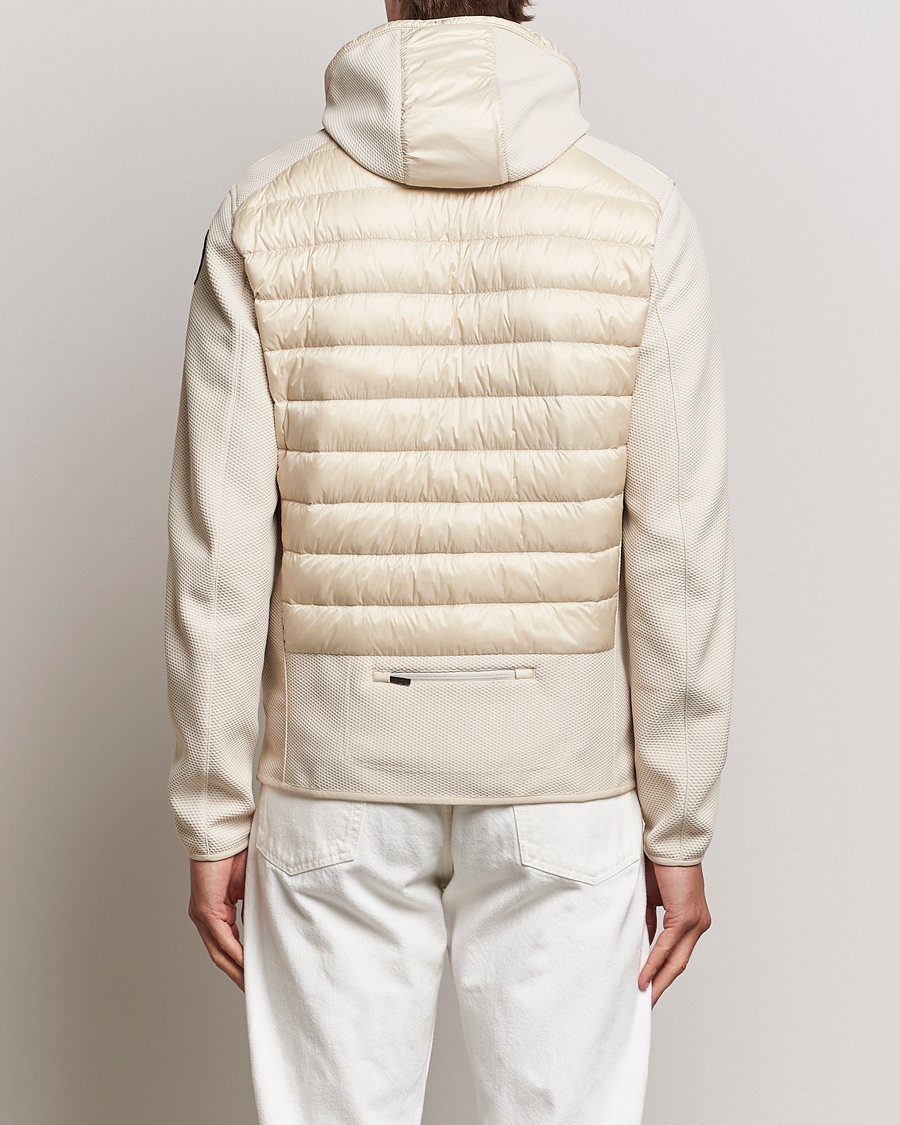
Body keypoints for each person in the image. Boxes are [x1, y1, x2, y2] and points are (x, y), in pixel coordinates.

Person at [165, 0, 735, 1121]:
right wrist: (680, 820)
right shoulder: (639, 212)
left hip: (333, 776)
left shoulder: (265, 210)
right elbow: (677, 549)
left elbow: (219, 555)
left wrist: (214, 811)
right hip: (564, 781)